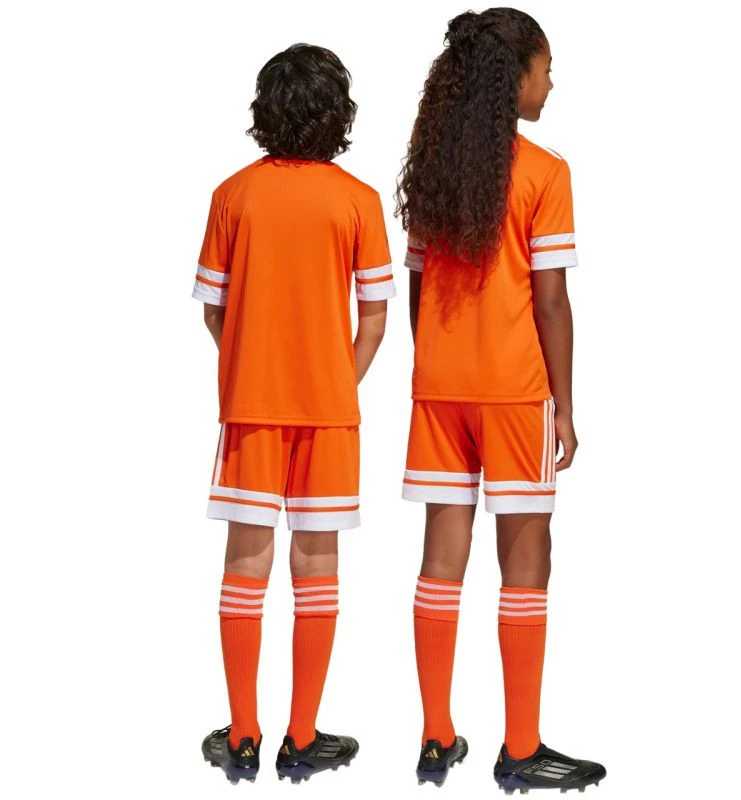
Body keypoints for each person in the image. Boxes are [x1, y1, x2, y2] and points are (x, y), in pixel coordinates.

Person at [396, 8, 606, 794]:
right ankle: (520, 749)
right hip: (515, 393)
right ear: (514, 76)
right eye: (546, 69)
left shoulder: (433, 168)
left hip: (439, 390)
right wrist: (565, 405)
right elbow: (550, 300)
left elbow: (419, 289)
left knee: (439, 561)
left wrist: (434, 366)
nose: (552, 83)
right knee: (527, 561)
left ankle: (435, 736)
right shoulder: (545, 173)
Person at [193, 43, 395, 785]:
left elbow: (213, 309)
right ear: (338, 113)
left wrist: (250, 362)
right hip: (329, 412)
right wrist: (336, 382)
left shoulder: (232, 194)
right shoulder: (359, 200)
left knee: (246, 561)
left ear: (265, 108)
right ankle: (301, 736)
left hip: (250, 406)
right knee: (317, 563)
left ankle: (243, 734)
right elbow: (375, 319)